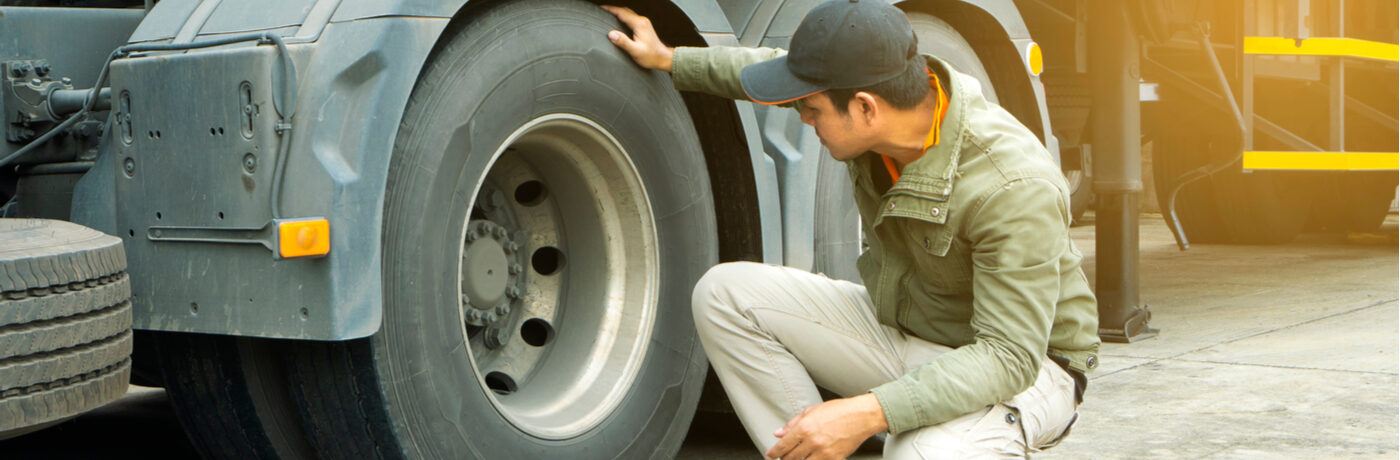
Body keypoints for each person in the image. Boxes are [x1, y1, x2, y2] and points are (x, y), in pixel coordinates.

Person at [603, 1, 1100, 458]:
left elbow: (1007, 356)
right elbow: (772, 71)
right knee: (724, 295)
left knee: (923, 454)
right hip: (913, 331)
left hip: (1027, 371)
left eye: (812, 111)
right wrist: (669, 58)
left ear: (865, 108)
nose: (803, 117)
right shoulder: (880, 109)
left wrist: (865, 412)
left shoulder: (1011, 185)